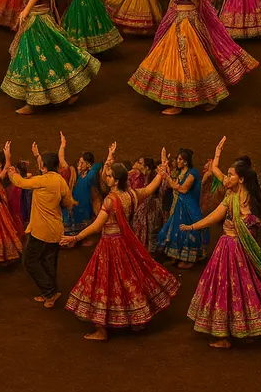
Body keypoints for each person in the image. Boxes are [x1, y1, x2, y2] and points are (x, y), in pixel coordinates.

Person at [180, 137, 261, 348]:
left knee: (239, 288)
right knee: (236, 288)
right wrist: (194, 226)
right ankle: (239, 332)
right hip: (230, 249)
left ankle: (235, 332)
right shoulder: (232, 196)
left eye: (231, 175)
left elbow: (251, 227)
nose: (227, 177)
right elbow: (215, 215)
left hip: (240, 252)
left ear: (240, 179)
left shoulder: (250, 201)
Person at [59, 144, 178, 341]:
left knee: (105, 283)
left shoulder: (110, 201)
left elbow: (97, 226)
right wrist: (162, 172)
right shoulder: (131, 194)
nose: (106, 177)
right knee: (130, 279)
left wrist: (74, 237)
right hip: (127, 244)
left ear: (115, 181)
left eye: (109, 175)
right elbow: (149, 189)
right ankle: (137, 319)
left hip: (109, 246)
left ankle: (102, 329)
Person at [124, 0, 258, 115]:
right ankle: (209, 97)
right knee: (200, 60)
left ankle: (178, 102)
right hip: (195, 20)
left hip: (182, 23)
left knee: (180, 61)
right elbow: (201, 1)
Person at [0, 0, 101, 115]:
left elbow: (32, 1)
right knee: (46, 57)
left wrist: (24, 14)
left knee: (37, 58)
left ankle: (35, 102)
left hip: (39, 23)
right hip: (33, 22)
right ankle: (61, 91)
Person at [5, 140, 77, 308]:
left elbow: (20, 182)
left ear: (44, 168)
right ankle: (52, 291)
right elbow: (68, 202)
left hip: (41, 231)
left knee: (29, 261)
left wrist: (10, 169)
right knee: (48, 261)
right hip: (56, 229)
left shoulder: (42, 180)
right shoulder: (60, 181)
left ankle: (49, 292)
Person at [156, 146, 208, 269]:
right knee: (172, 231)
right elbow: (172, 183)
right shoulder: (180, 172)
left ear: (185, 161)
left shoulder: (192, 173)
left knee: (189, 233)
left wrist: (167, 178)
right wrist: (164, 164)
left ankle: (190, 259)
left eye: (179, 159)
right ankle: (176, 256)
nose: (177, 161)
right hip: (179, 207)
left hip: (189, 208)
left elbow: (183, 189)